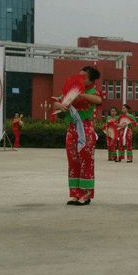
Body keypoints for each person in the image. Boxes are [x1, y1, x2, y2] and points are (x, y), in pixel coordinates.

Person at [53, 66, 103, 206]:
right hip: (72, 129)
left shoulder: (93, 91)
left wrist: (81, 95)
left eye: (84, 77)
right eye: (79, 76)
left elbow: (98, 100)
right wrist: (60, 105)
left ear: (91, 80)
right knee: (73, 161)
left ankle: (85, 194)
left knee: (86, 161)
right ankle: (74, 194)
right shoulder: (71, 90)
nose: (80, 79)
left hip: (85, 129)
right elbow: (57, 102)